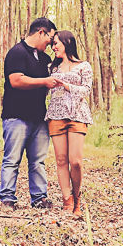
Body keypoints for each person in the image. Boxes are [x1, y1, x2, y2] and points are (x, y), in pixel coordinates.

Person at [0, 17, 59, 209]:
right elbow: (16, 80)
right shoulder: (17, 52)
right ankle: (7, 198)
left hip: (39, 118)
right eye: (50, 38)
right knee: (12, 159)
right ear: (41, 32)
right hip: (16, 116)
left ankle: (39, 198)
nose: (50, 43)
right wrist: (44, 81)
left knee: (38, 161)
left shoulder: (46, 60)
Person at [46, 30, 92, 218]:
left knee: (76, 161)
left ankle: (77, 198)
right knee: (61, 160)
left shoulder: (83, 66)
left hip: (77, 115)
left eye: (56, 43)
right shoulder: (51, 68)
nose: (53, 47)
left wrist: (65, 85)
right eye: (53, 44)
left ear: (67, 43)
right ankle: (67, 200)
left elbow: (86, 90)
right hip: (55, 115)